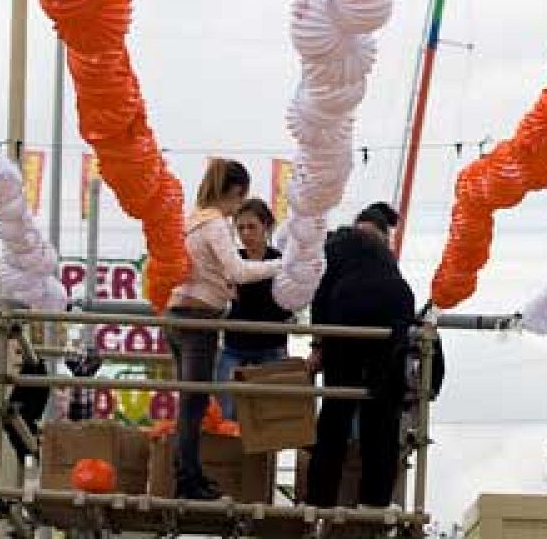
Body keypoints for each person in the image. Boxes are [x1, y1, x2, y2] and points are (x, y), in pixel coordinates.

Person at [166, 160, 281, 500]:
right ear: (235, 192)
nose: (236, 214)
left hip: (177, 313)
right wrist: (282, 264)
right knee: (194, 404)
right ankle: (187, 480)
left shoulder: (193, 220)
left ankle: (190, 474)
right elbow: (239, 271)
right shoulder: (214, 224)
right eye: (239, 201)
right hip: (198, 320)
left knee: (191, 402)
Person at [305, 203, 423, 508]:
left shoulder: (334, 244)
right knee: (382, 408)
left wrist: (318, 345)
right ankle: (376, 501)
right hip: (396, 308)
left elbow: (320, 294)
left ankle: (320, 500)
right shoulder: (384, 254)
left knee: (336, 409)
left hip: (350, 307)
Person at [214, 198, 293, 420]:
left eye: (251, 227)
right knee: (224, 411)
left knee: (272, 415)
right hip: (235, 344)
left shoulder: (280, 260)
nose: (246, 233)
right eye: (241, 228)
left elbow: (289, 304)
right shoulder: (233, 260)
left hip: (272, 344)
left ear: (266, 227)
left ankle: (267, 455)